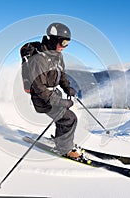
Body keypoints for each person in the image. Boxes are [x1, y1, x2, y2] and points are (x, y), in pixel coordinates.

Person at [28, 22, 82, 159]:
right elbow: (38, 86)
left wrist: (67, 87)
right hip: (42, 98)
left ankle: (61, 141)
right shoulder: (39, 59)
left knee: (63, 117)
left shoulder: (57, 55)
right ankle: (65, 149)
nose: (64, 47)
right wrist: (59, 101)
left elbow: (61, 73)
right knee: (69, 119)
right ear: (53, 39)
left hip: (52, 94)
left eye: (67, 43)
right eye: (63, 42)